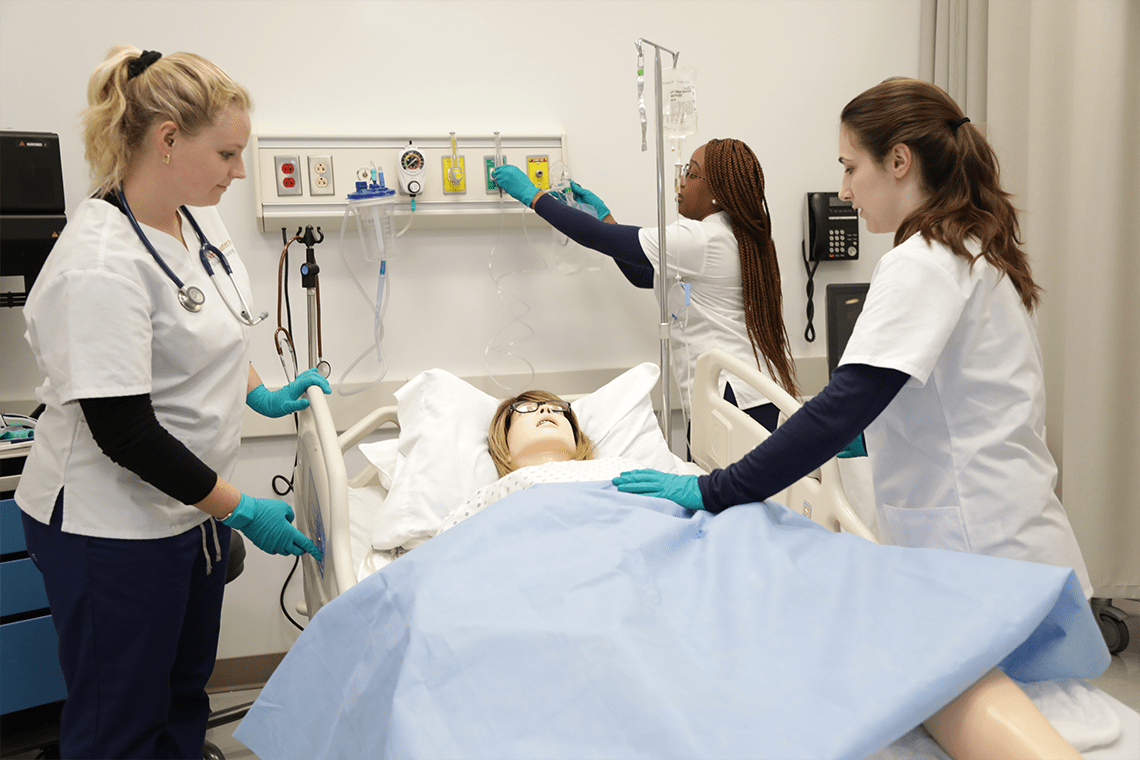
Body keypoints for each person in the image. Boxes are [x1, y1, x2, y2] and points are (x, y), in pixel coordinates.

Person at [613, 77, 1094, 600]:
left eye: (849, 167)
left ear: (899, 161)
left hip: (982, 556)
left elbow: (847, 403)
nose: (843, 191)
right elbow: (939, 394)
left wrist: (714, 488)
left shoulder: (922, 263)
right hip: (1016, 544)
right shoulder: (976, 248)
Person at [14, 46, 327, 759]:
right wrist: (239, 507)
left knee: (186, 693)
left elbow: (214, 328)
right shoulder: (99, 263)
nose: (238, 172)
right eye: (227, 153)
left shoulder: (198, 220)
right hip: (110, 525)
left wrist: (263, 394)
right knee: (119, 721)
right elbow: (123, 431)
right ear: (167, 140)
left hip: (189, 512)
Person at [492, 139, 795, 431]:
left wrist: (534, 197)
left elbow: (598, 237)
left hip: (735, 400)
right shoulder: (728, 238)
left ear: (716, 190)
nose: (681, 184)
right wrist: (605, 215)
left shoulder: (702, 240)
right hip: (747, 398)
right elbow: (641, 275)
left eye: (690, 173)